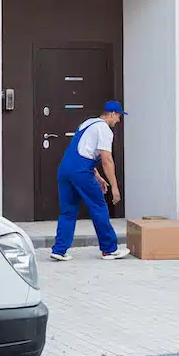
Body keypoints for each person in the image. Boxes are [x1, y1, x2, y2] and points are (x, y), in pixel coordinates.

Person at [51, 100, 130, 262]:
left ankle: (59, 250)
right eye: (119, 116)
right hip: (81, 172)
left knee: (68, 211)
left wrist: (98, 177)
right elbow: (107, 160)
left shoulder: (88, 123)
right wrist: (115, 188)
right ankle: (109, 249)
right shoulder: (104, 129)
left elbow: (83, 151)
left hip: (65, 169)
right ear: (112, 114)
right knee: (99, 207)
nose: (119, 120)